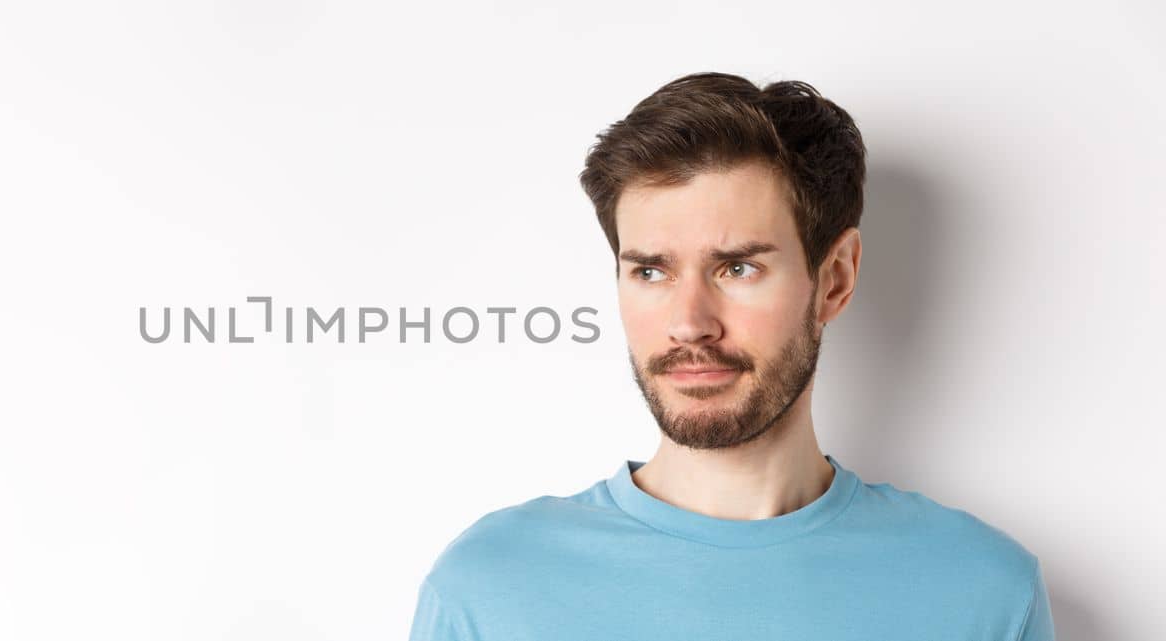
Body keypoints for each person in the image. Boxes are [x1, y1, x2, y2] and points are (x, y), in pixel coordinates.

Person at [407, 72, 1056, 640]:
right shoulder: (489, 589)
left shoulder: (981, 592)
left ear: (834, 278)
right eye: (652, 272)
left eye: (738, 267)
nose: (689, 321)